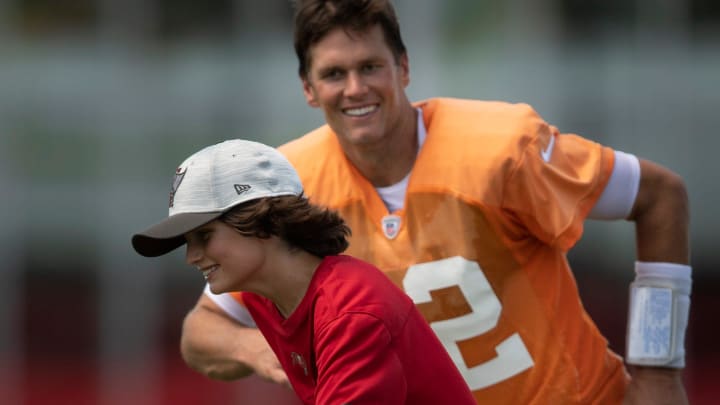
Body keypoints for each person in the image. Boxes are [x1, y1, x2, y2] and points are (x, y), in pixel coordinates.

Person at [179, 1, 692, 404]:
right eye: (335, 73)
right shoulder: (293, 183)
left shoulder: (499, 149)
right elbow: (201, 331)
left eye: (371, 66)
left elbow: (660, 196)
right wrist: (259, 349)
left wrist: (658, 370)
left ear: (403, 68)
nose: (355, 88)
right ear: (308, 89)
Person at [130, 139, 476, 405]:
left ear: (263, 221)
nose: (192, 256)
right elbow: (197, 338)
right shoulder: (265, 294)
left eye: (204, 236)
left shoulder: (350, 312)